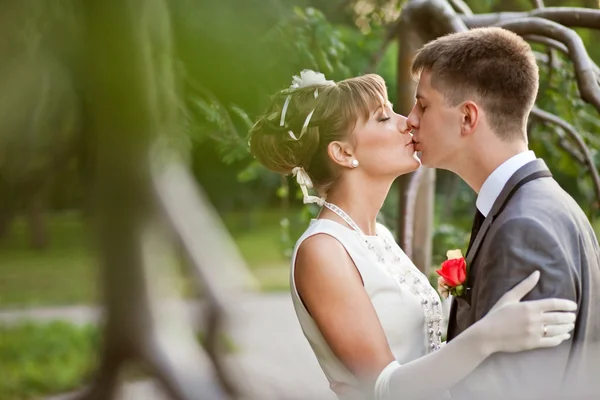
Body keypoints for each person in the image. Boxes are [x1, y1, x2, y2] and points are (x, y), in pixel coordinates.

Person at [248, 69, 577, 400]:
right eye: (383, 117)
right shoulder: (323, 251)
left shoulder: (380, 236)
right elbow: (384, 387)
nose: (406, 122)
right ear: (344, 153)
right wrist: (489, 335)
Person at [406, 27, 600, 398]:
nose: (410, 119)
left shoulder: (525, 229)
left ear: (467, 118)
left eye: (423, 104)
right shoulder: (541, 206)